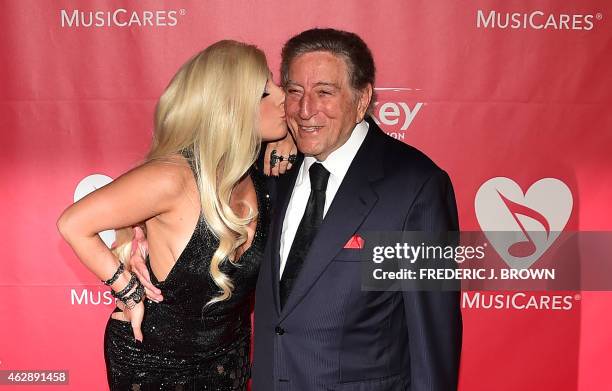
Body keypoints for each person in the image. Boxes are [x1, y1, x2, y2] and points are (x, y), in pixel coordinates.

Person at [57, 40, 287, 390]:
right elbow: (73, 223)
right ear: (229, 108)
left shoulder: (252, 172)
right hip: (157, 363)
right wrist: (127, 289)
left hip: (229, 358)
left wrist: (290, 139)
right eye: (264, 93)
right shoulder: (173, 177)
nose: (283, 96)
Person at [251, 28, 462, 391]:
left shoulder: (416, 187)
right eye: (295, 92)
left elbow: (432, 341)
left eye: (324, 93)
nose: (305, 110)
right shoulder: (272, 172)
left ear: (362, 99)